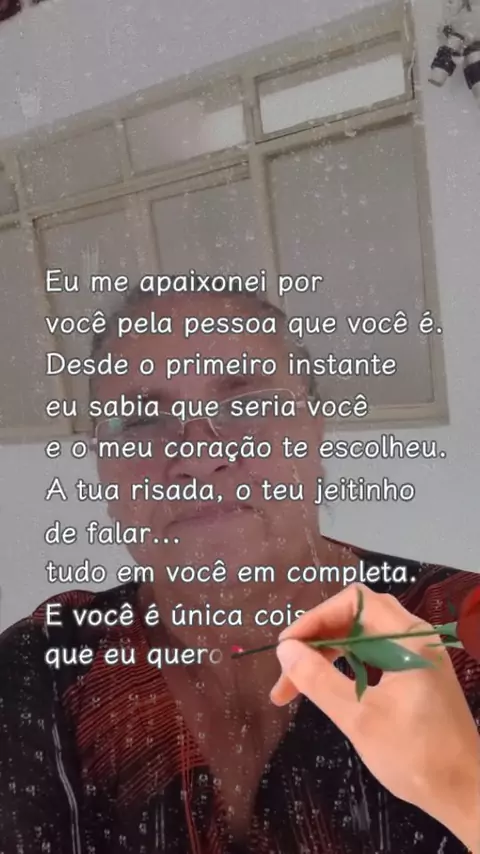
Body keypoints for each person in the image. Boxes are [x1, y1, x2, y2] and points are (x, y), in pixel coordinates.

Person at [0, 282, 479, 854]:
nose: (198, 456)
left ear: (315, 428)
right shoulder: (37, 668)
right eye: (141, 421)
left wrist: (462, 785)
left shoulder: (461, 629)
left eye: (247, 405)